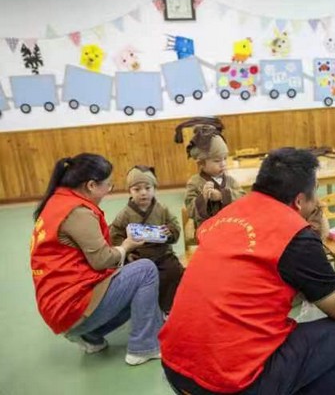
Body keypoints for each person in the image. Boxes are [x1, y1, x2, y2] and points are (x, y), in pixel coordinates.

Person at [159, 148, 335, 394]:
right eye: (314, 192)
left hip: (175, 368)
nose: (316, 202)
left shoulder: (228, 213)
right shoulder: (295, 235)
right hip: (231, 385)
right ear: (299, 200)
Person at [30, 154, 163, 366]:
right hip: (71, 306)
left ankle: (90, 336)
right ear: (91, 185)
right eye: (108, 185)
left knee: (133, 280)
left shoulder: (57, 202)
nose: (109, 190)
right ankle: (144, 347)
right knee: (146, 270)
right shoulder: (78, 212)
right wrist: (126, 246)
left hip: (57, 305)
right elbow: (102, 260)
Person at [110, 165, 184, 315]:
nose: (143, 193)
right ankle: (146, 310)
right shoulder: (125, 214)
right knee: (139, 280)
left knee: (174, 271)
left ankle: (168, 307)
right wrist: (127, 252)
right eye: (137, 189)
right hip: (138, 256)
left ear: (154, 188)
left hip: (162, 254)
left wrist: (169, 231)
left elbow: (174, 225)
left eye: (148, 188)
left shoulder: (162, 209)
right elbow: (115, 234)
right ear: (129, 191)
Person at [183, 122, 245, 230]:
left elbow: (243, 199)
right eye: (217, 160)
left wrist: (222, 195)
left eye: (224, 158)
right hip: (207, 230)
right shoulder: (194, 183)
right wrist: (203, 197)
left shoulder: (230, 180)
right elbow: (190, 210)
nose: (223, 164)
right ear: (201, 163)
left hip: (231, 227)